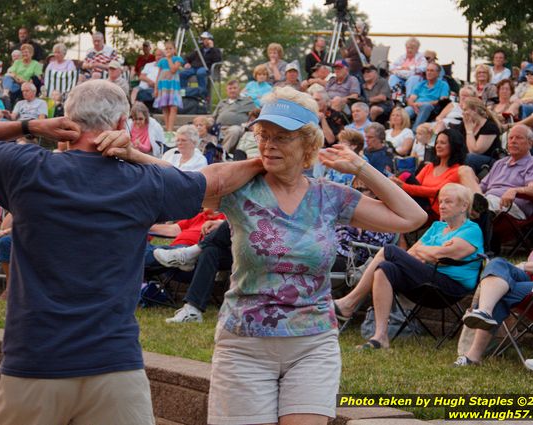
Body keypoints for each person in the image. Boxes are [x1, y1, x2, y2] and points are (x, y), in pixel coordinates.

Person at [0, 78, 268, 425]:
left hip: (34, 362)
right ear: (119, 125)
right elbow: (213, 182)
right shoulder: (143, 181)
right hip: (113, 364)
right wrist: (264, 160)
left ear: (66, 121)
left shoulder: (28, 169)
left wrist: (32, 125)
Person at [202, 86, 425, 424]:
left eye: (282, 137)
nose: (269, 144)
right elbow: (188, 185)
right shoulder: (240, 190)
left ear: (308, 144)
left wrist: (362, 168)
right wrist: (258, 162)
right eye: (264, 135)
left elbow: (412, 217)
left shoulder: (330, 196)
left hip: (312, 344)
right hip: (245, 344)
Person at [336, 183, 483, 349]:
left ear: (464, 206)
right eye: (440, 201)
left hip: (449, 288)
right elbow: (412, 253)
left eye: (448, 202)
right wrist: (431, 251)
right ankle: (380, 336)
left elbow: (439, 256)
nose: (441, 206)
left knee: (389, 250)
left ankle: (350, 302)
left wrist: (428, 251)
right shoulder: (437, 227)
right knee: (385, 269)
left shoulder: (472, 230)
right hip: (426, 282)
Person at [457, 229, 533, 367]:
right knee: (497, 264)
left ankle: (473, 356)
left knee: (500, 291)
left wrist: (524, 266)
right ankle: (484, 311)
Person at [461, 124, 533, 220]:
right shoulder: (500, 163)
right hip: (488, 201)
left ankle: (475, 207)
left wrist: (514, 190)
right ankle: (475, 206)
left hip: (511, 206)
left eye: (518, 138)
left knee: (463, 208)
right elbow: (481, 187)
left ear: (530, 143)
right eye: (510, 138)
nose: (513, 141)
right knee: (464, 172)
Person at [393, 128, 467, 218]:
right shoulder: (430, 166)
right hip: (420, 205)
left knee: (405, 175)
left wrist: (404, 186)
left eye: (442, 143)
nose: (438, 146)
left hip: (435, 211)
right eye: (437, 143)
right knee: (404, 176)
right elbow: (416, 185)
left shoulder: (458, 170)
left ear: (454, 146)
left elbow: (437, 192)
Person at [212, 79, 255, 153]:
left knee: (234, 130)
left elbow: (254, 115)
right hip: (219, 128)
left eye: (235, 88)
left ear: (239, 89)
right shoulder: (222, 102)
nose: (232, 90)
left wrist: (250, 124)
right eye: (230, 88)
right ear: (227, 91)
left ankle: (222, 153)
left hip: (237, 127)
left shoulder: (247, 101)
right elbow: (213, 117)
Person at [462, 98, 502, 174]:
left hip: (491, 162)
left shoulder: (490, 127)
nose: (463, 113)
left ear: (475, 110)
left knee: (469, 158)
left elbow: (475, 151)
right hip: (471, 159)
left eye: (465, 110)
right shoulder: (466, 124)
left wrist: (469, 131)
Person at [405, 62, 450, 131]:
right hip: (416, 106)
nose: (429, 73)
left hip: (432, 108)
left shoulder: (443, 85)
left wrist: (423, 104)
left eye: (432, 71)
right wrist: (414, 105)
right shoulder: (421, 84)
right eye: (427, 70)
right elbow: (411, 99)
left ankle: (415, 131)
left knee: (426, 106)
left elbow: (443, 101)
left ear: (438, 73)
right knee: (406, 110)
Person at [154, 41, 185, 132]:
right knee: (165, 107)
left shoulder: (177, 59)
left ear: (174, 50)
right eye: (166, 49)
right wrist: (156, 88)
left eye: (170, 48)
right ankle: (167, 128)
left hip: (173, 86)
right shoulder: (161, 61)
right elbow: (158, 75)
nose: (168, 50)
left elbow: (173, 70)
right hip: (163, 86)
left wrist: (169, 59)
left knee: (173, 107)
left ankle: (170, 129)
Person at [179, 31, 222, 97]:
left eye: (204, 39)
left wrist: (212, 48)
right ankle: (183, 94)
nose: (202, 41)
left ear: (210, 40)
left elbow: (218, 60)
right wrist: (186, 63)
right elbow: (187, 57)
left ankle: (203, 94)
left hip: (205, 68)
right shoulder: (198, 50)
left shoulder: (215, 50)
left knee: (200, 72)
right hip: (194, 68)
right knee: (182, 74)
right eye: (202, 39)